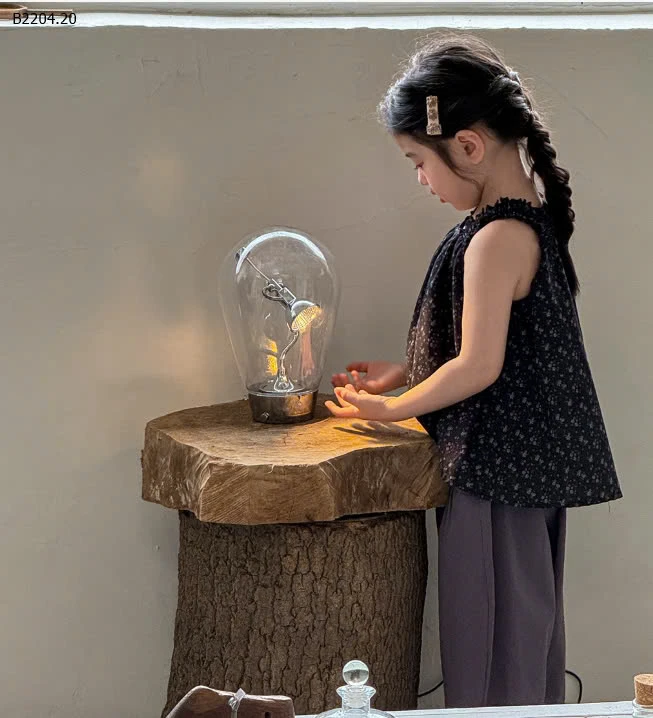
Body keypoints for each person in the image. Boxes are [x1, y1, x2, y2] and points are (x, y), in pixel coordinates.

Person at [326, 32, 622, 708]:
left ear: (466, 145)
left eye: (417, 162)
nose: (419, 180)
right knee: (514, 630)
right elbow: (500, 351)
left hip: (499, 474)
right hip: (513, 467)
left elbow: (480, 365)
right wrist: (405, 373)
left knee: (494, 639)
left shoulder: (498, 237)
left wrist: (390, 410)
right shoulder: (513, 223)